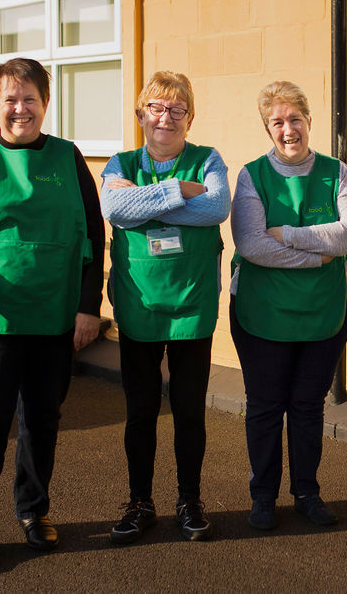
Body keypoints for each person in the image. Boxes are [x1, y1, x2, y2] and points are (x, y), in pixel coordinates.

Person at [0, 57, 104, 574]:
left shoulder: (67, 157)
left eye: (30, 98)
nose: (20, 108)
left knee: (42, 421)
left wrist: (88, 306)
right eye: (10, 98)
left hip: (54, 318)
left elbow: (93, 235)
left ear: (45, 103)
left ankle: (34, 511)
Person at [100, 71, 229, 544]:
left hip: (192, 304)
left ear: (190, 118)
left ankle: (189, 500)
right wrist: (180, 190)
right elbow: (113, 210)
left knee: (190, 411)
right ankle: (140, 502)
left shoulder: (209, 159)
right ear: (141, 114)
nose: (165, 118)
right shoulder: (120, 161)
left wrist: (141, 201)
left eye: (177, 109)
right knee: (141, 411)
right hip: (139, 304)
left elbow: (216, 208)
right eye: (156, 107)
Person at [230, 81, 347, 530]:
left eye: (295, 119)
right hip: (261, 312)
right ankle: (263, 496)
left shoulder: (336, 172)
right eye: (277, 122)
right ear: (267, 128)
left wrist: (286, 234)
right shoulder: (252, 175)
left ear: (309, 120)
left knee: (308, 406)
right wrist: (319, 256)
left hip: (327, 309)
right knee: (266, 407)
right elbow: (252, 245)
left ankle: (307, 492)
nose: (288, 130)